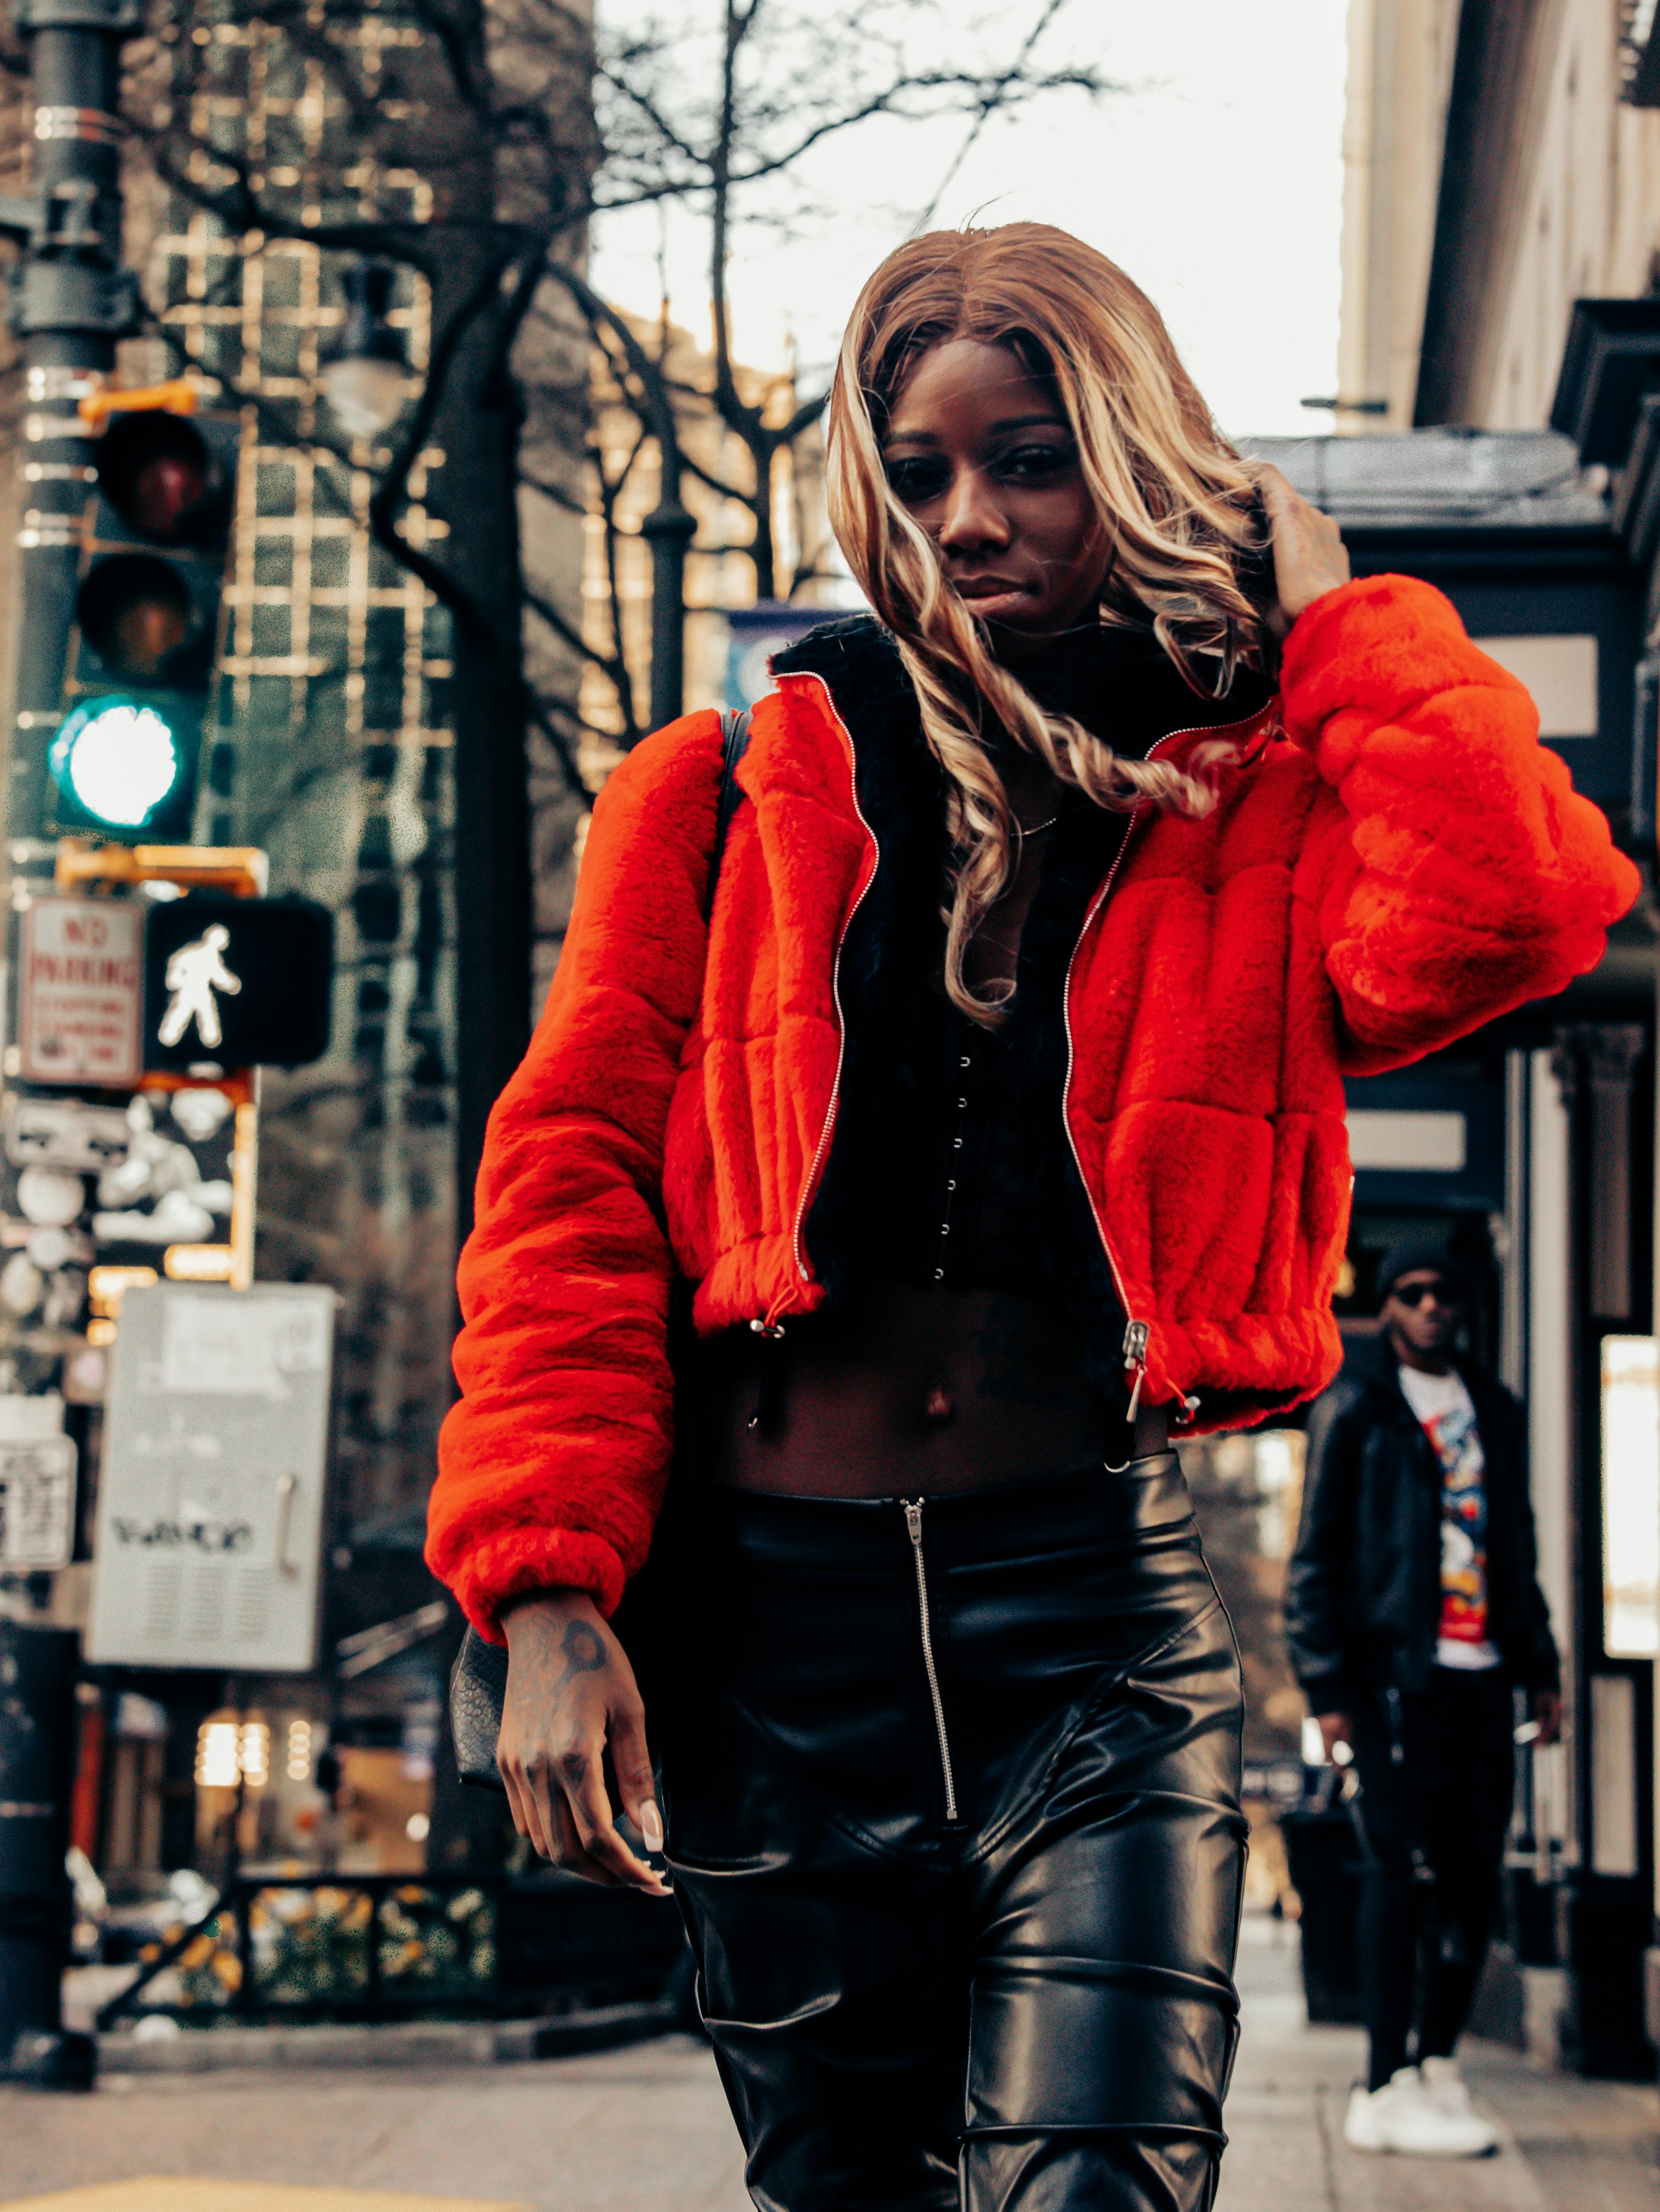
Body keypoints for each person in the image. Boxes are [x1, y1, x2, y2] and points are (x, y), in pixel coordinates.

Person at [426, 225, 1634, 2212]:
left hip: (1087, 1628)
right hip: (766, 1655)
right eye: (918, 472)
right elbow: (562, 1200)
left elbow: (1505, 917)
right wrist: (546, 1594)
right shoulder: (721, 790)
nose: (970, 518)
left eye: (1032, 458)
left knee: (1097, 2186)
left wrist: (1341, 617)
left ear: (1138, 457)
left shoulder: (1249, 792)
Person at [1284, 1244, 1562, 2160]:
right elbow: (1316, 1556)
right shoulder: (1357, 1408)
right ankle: (1379, 2079)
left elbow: (1514, 1544)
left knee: (1474, 1875)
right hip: (1393, 1678)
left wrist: (1543, 1664)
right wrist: (1327, 1689)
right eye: (1413, 1293)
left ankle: (1436, 2065)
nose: (1433, 1307)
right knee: (1397, 1875)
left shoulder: (1494, 1407)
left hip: (1483, 1675)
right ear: (1389, 1306)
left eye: (1445, 1292)